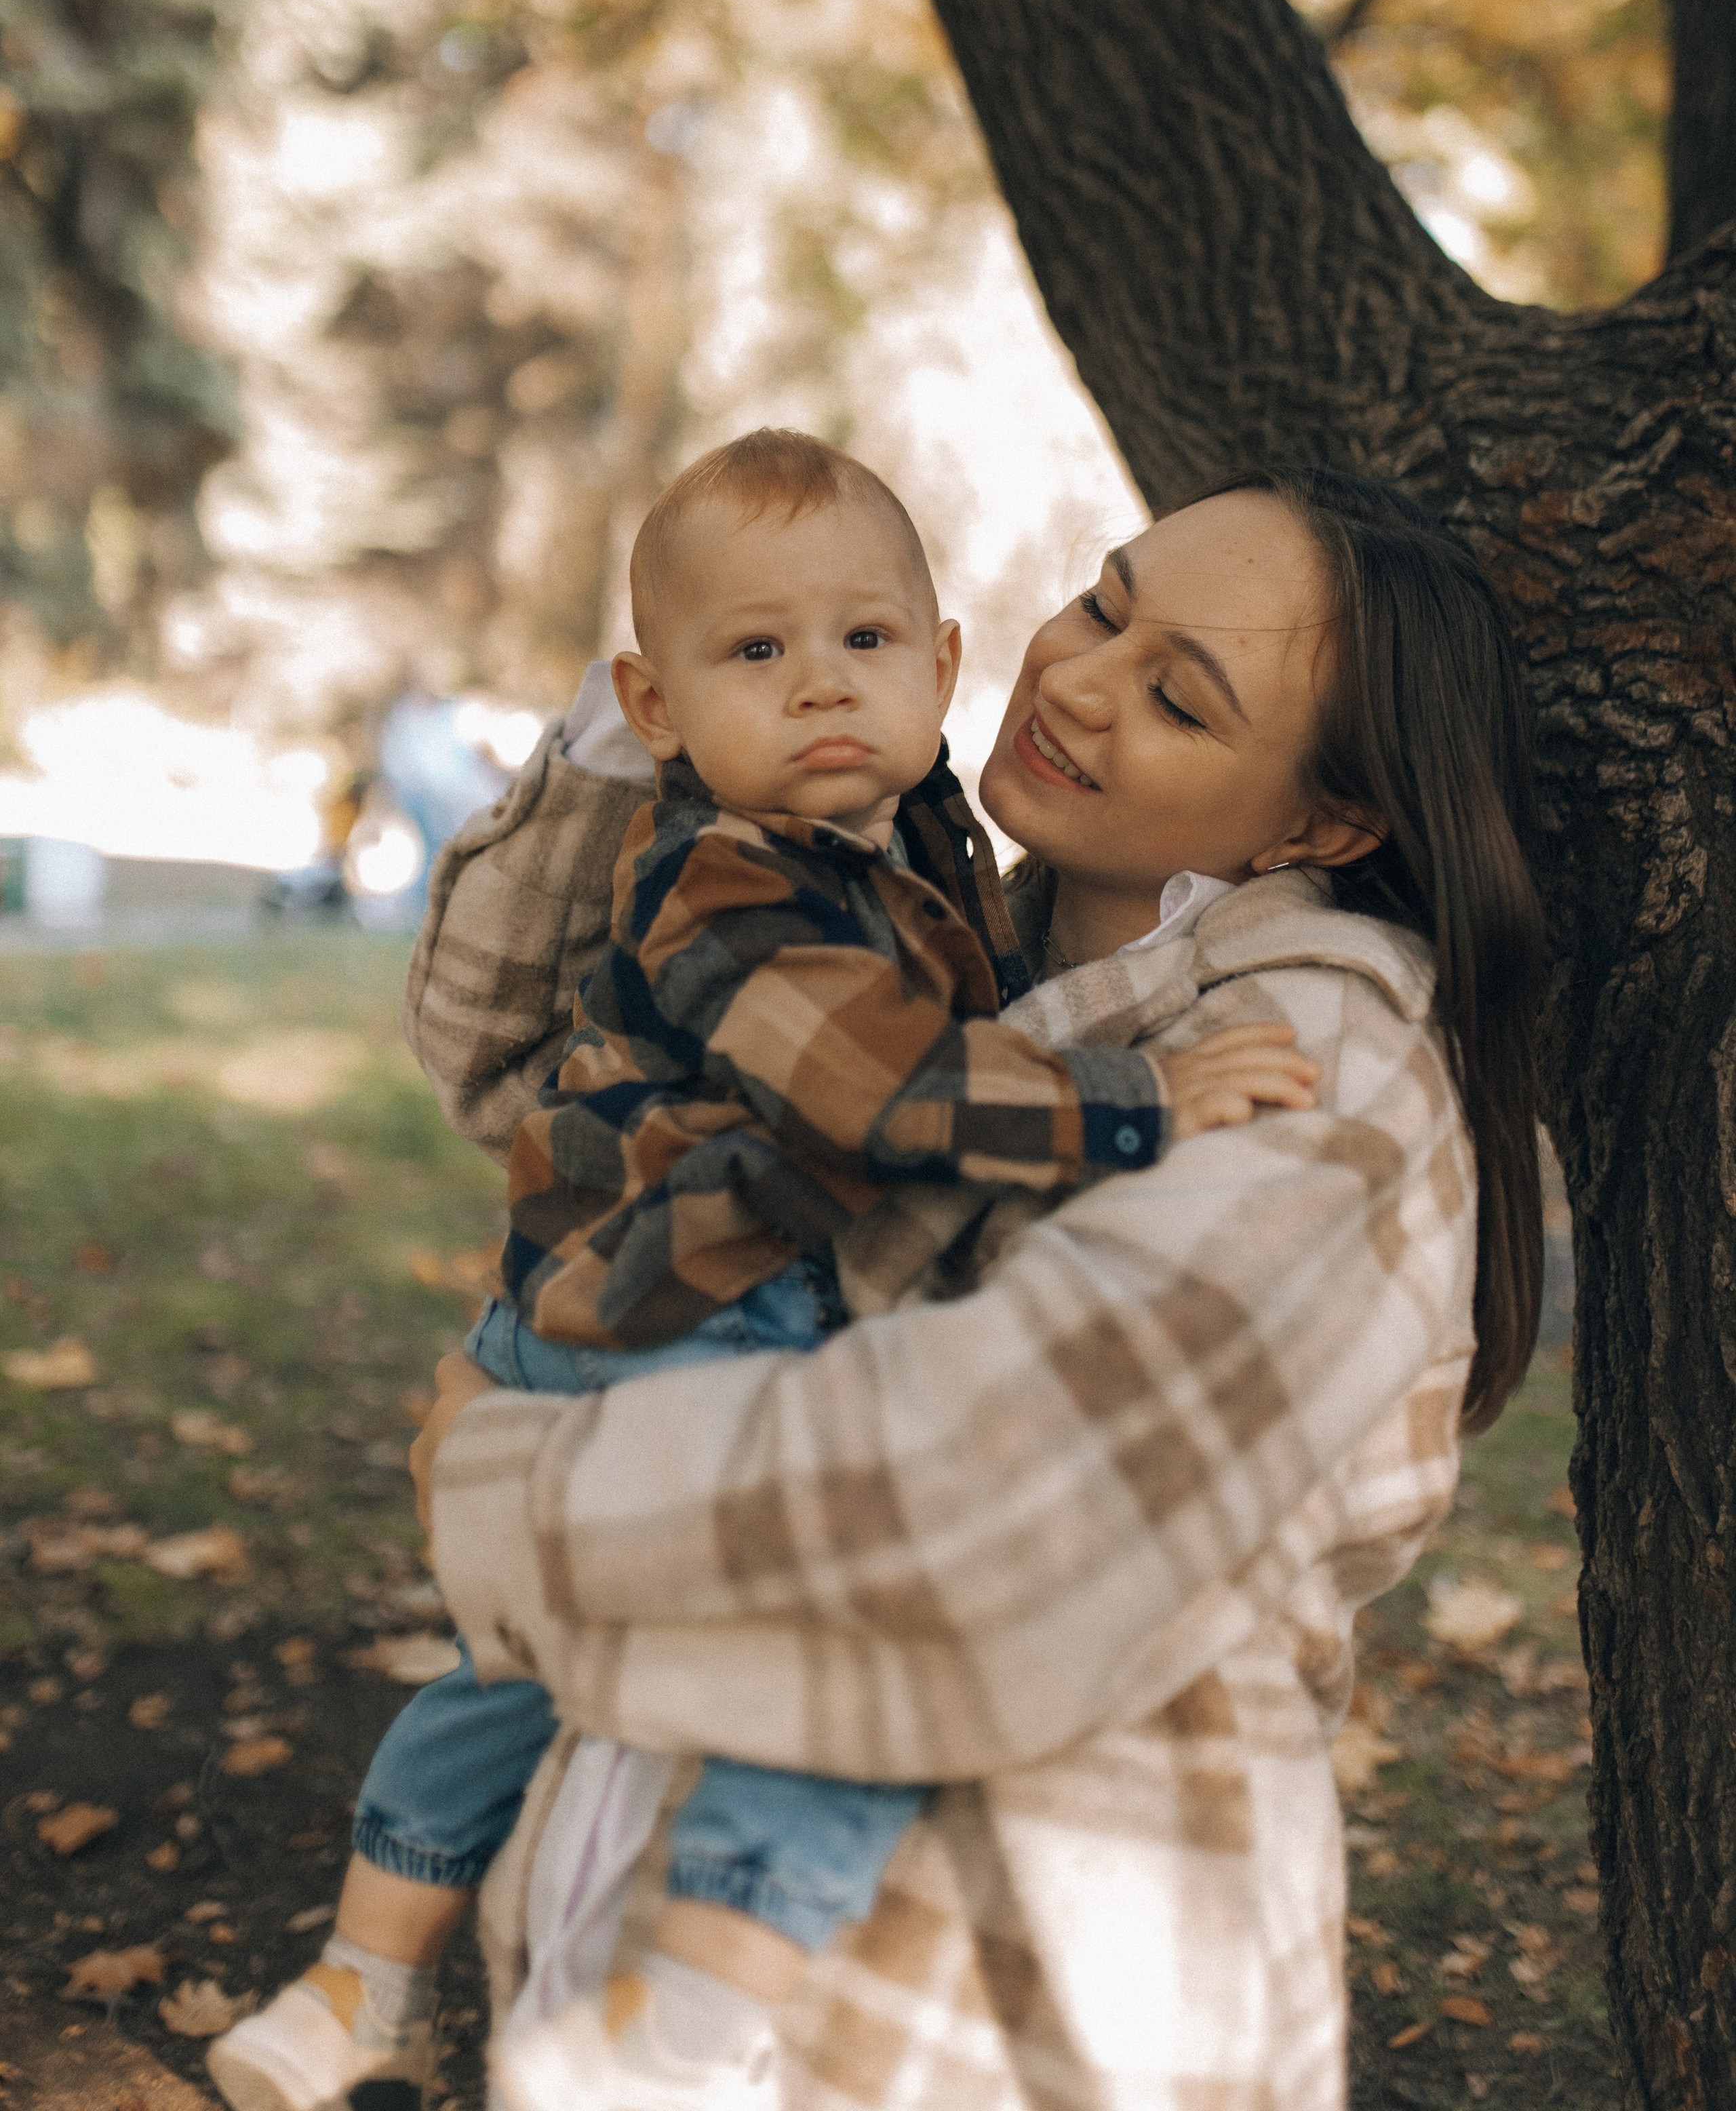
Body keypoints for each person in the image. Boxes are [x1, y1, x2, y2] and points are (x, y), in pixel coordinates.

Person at [397, 464, 1547, 2111]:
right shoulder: (937, 933)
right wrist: (667, 712)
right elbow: (518, 1069)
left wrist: (509, 1491)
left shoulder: (1318, 1068)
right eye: (1102, 604)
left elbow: (997, 1495)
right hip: (665, 1924)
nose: (1075, 678)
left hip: (977, 1997)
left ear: (1318, 825)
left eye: (1177, 697)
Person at [208, 435, 1312, 2111]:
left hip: (607, 1299)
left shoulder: (907, 828)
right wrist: (1140, 1098)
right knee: (849, 1634)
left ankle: (358, 1983)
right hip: (686, 1318)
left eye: (866, 642)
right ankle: (705, 1994)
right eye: (754, 653)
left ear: (941, 664)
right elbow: (877, 1090)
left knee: (521, 1668)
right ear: (655, 711)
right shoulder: (726, 878)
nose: (819, 687)